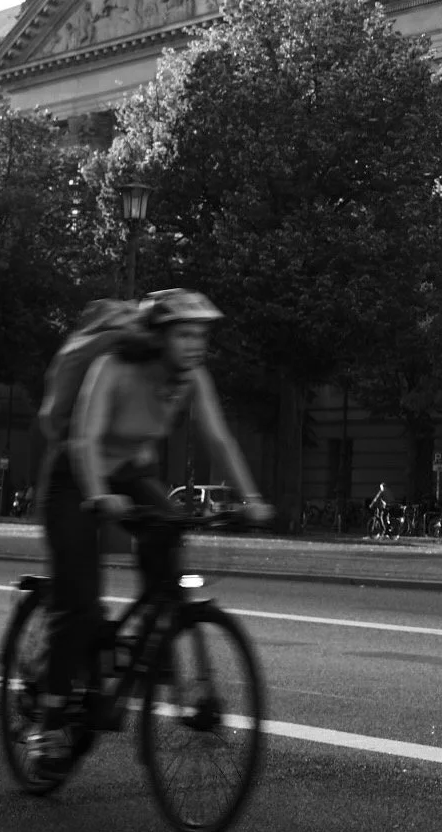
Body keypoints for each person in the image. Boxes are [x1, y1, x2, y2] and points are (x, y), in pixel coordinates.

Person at [24, 289, 270, 777]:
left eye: (200, 335)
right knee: (80, 600)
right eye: (184, 335)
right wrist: (98, 495)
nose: (195, 345)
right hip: (75, 476)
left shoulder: (191, 377)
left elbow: (218, 438)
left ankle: (153, 642)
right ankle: (48, 722)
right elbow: (85, 439)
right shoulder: (113, 367)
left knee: (167, 537)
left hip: (130, 473)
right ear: (157, 338)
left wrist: (252, 499)